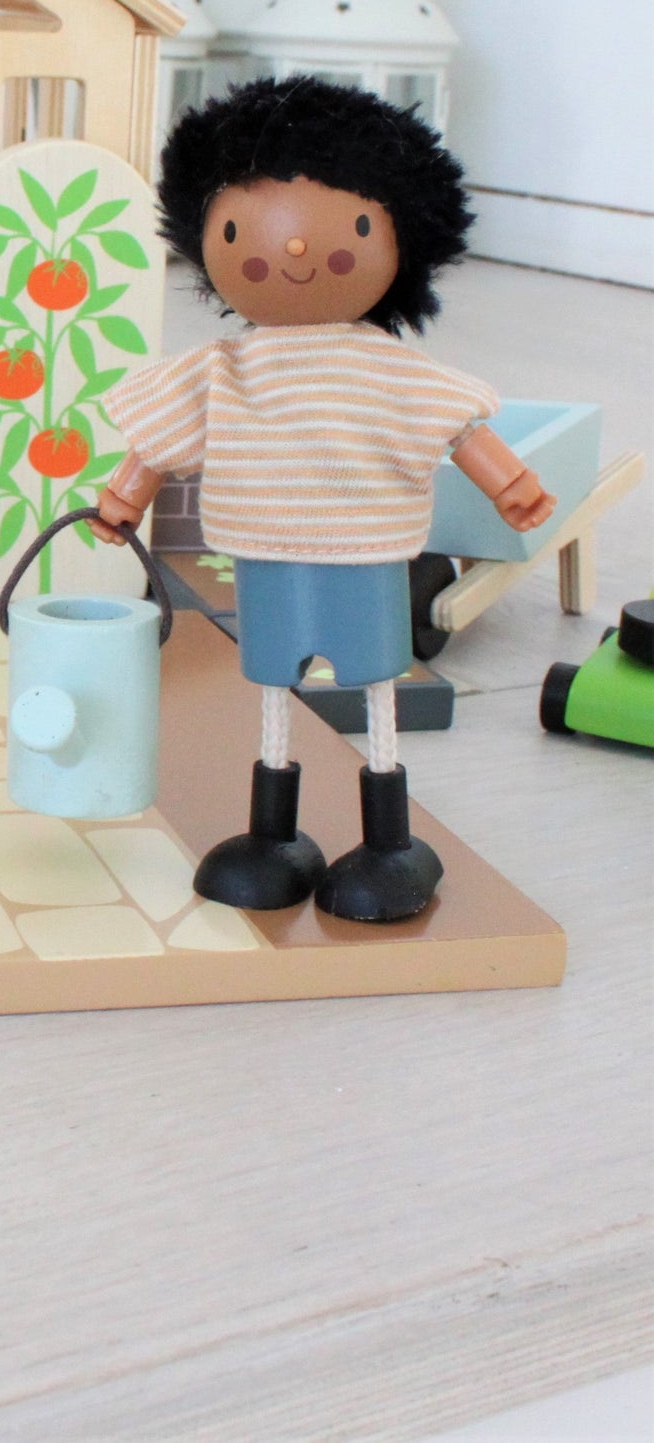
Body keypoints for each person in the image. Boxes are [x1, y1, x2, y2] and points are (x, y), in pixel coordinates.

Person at [95, 77, 555, 922]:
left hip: (367, 553)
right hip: (264, 557)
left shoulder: (390, 367)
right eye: (239, 229)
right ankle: (274, 838)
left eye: (344, 228)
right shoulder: (224, 369)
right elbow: (157, 436)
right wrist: (126, 494)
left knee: (376, 687)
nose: (293, 251)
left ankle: (389, 846)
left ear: (401, 241)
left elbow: (455, 424)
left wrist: (512, 484)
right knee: (275, 687)